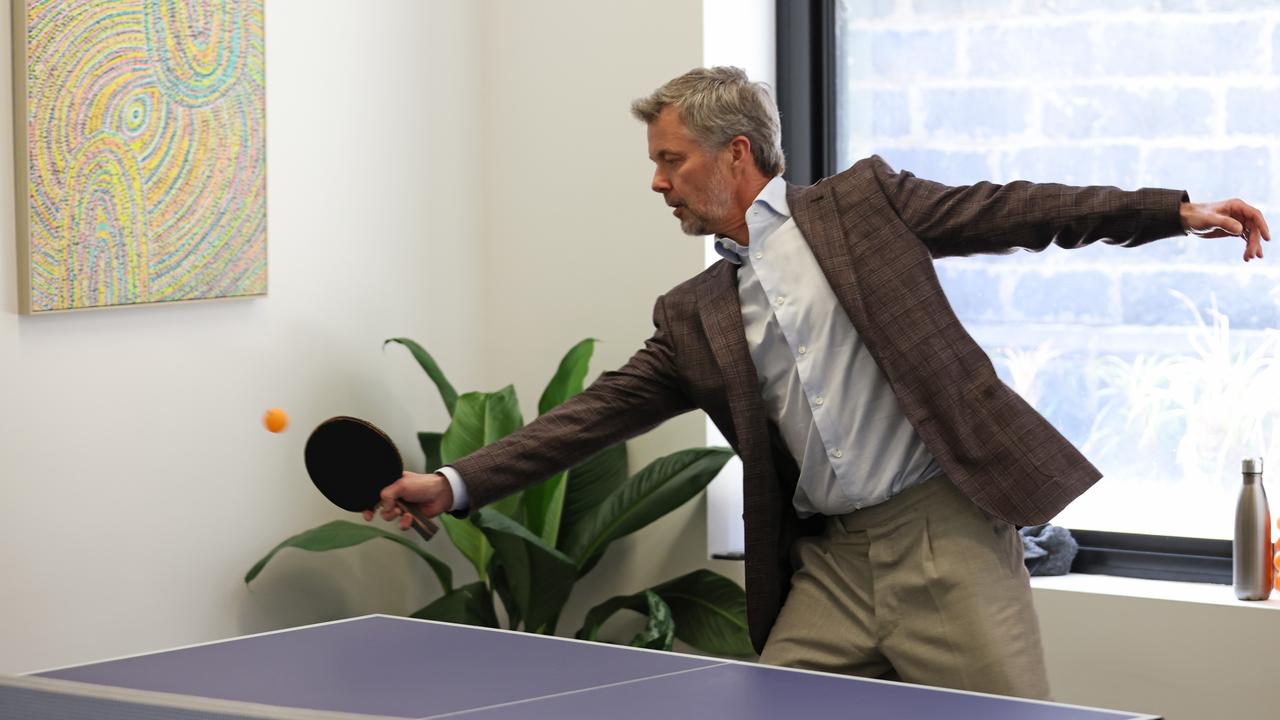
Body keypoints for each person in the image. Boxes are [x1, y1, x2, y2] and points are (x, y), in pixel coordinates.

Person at [366, 67, 1269, 698]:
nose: (657, 182)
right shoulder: (694, 313)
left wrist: (1167, 212)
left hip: (945, 544)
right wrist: (452, 482)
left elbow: (1010, 211)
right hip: (831, 568)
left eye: (671, 159)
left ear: (736, 153)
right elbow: (593, 415)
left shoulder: (863, 207)